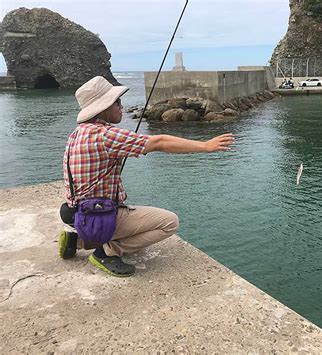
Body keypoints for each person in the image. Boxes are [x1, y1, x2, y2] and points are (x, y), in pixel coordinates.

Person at [58, 76, 235, 277]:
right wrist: (205, 146)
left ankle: (78, 240)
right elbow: (158, 142)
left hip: (75, 211)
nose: (121, 107)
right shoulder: (105, 135)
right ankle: (106, 252)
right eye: (117, 102)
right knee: (169, 222)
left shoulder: (77, 133)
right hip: (97, 216)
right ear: (104, 107)